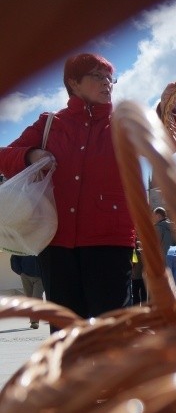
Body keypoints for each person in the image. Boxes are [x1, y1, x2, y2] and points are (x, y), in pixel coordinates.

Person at [0, 53, 136, 327]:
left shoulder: (124, 123)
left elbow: (165, 143)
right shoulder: (50, 124)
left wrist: (170, 110)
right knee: (66, 331)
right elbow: (5, 155)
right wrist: (30, 155)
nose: (107, 83)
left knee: (112, 331)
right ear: (73, 83)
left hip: (110, 240)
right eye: (98, 76)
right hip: (56, 241)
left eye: (110, 78)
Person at [9, 255, 44, 329]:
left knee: (36, 298)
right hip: (25, 275)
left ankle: (35, 321)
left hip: (40, 276)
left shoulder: (41, 244)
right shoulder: (24, 244)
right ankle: (33, 320)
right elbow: (14, 256)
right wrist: (20, 272)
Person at [131, 240, 147, 305]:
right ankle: (145, 308)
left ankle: (136, 308)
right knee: (144, 295)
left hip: (135, 277)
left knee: (135, 295)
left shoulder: (134, 252)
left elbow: (133, 262)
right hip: (143, 277)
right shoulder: (144, 253)